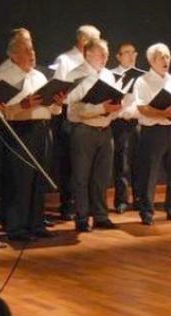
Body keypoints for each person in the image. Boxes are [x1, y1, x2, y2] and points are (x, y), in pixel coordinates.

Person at [0, 30, 66, 241]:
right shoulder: (5, 75)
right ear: (13, 55)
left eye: (33, 49)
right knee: (21, 180)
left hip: (43, 129)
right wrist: (22, 105)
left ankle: (36, 223)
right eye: (26, 50)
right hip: (21, 130)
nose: (32, 54)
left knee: (38, 179)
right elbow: (2, 111)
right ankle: (17, 227)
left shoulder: (39, 75)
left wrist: (57, 102)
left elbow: (52, 110)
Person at [66, 39, 123, 232]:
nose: (106, 58)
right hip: (84, 130)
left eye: (107, 54)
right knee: (81, 176)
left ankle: (100, 215)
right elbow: (74, 109)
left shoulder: (108, 75)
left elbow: (114, 104)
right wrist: (101, 107)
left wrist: (115, 108)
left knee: (102, 177)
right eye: (101, 54)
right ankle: (82, 218)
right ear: (88, 53)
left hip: (105, 130)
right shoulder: (76, 75)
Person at [133, 43, 171, 225]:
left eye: (168, 56)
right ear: (152, 60)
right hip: (153, 131)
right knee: (150, 173)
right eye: (161, 57)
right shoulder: (143, 81)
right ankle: (147, 212)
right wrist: (162, 113)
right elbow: (142, 108)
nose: (166, 60)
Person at [51, 24, 101, 220]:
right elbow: (58, 88)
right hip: (69, 115)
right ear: (83, 41)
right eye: (94, 39)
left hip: (94, 115)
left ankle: (88, 205)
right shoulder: (65, 60)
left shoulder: (96, 61)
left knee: (89, 165)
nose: (98, 43)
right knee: (70, 163)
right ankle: (68, 204)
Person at [110, 42, 141, 213]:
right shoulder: (111, 75)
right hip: (120, 123)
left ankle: (138, 198)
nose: (131, 56)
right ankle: (121, 200)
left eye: (133, 53)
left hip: (137, 122)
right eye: (126, 53)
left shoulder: (142, 76)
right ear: (118, 56)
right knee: (121, 163)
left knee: (139, 162)